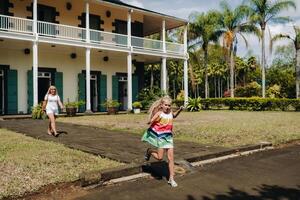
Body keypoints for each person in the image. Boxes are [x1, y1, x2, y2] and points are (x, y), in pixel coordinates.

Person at [141, 96, 183, 187]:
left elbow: (174, 116)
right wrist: (150, 121)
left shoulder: (170, 112)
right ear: (162, 105)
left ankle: (171, 179)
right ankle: (150, 151)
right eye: (166, 105)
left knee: (171, 159)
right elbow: (152, 120)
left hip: (169, 137)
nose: (167, 107)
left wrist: (180, 110)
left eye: (169, 105)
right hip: (161, 138)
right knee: (160, 158)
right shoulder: (159, 113)